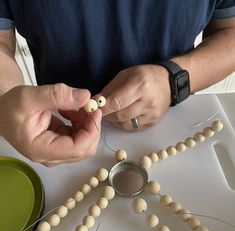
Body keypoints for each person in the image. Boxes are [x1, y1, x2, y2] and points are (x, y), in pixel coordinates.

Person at [0, 1, 234, 166]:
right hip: (55, 130)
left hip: (173, 128)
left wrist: (174, 79)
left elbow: (230, 31)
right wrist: (5, 98)